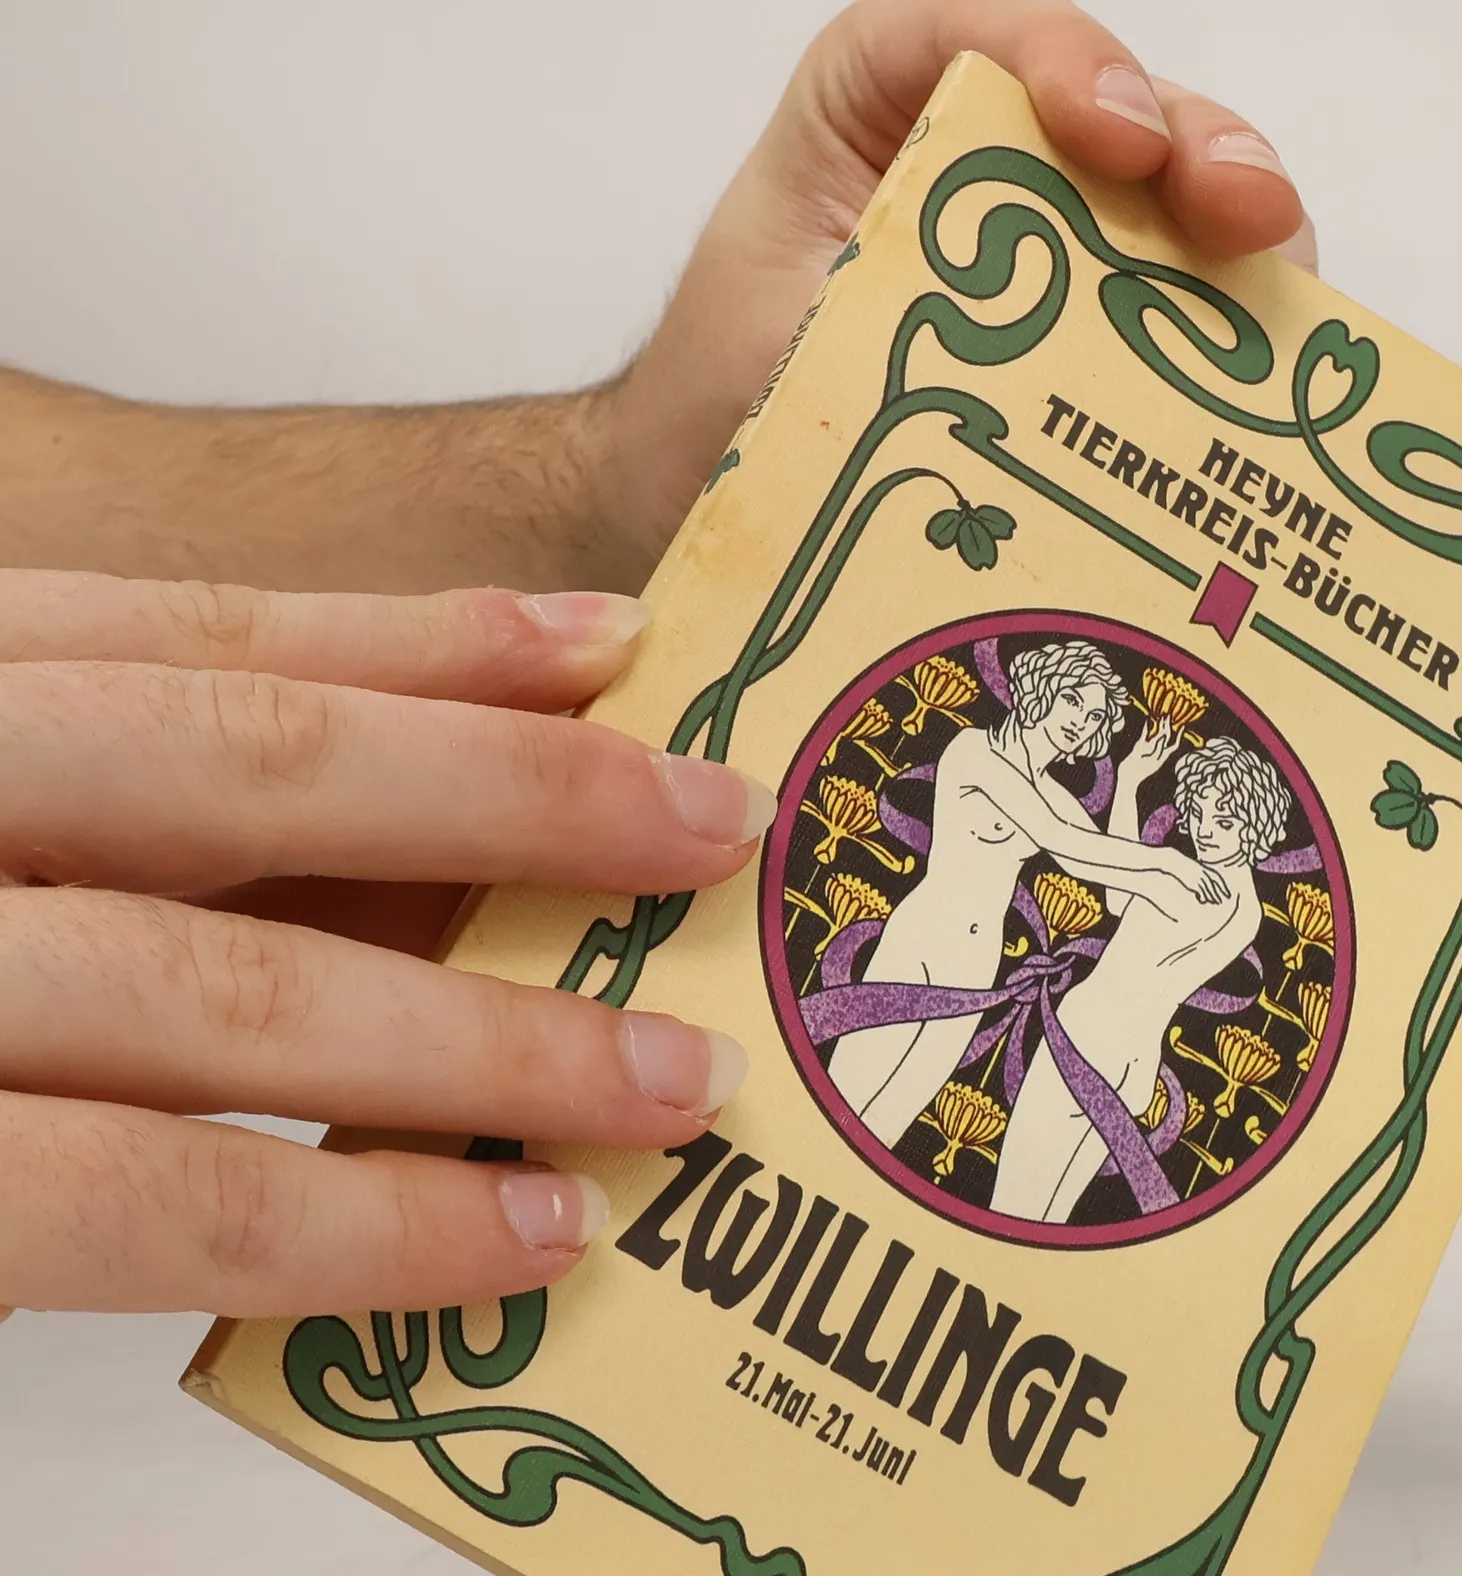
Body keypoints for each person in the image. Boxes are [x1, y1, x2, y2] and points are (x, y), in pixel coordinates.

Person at [0, 0, 1314, 1319]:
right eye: (1083, 720)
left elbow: (1111, 855)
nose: (1090, 739)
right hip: (952, 965)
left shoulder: (1136, 843)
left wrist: (651, 506)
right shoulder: (1001, 771)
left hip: (1000, 990)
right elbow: (1088, 851)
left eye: (1097, 732)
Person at [826, 639, 1226, 1147]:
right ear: (1042, 689)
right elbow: (1059, 838)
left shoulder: (1052, 793)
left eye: (1094, 715)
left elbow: (1109, 880)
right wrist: (1168, 861)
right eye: (1072, 700)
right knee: (846, 1093)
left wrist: (1128, 784)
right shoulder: (975, 752)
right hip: (924, 939)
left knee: (892, 1117)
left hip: (976, 965)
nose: (1080, 721)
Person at [991, 733, 1287, 1223]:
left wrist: (1033, 779)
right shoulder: (1246, 910)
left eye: (1225, 821)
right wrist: (1128, 785)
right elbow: (1118, 900)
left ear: (1256, 825)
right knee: (1049, 1212)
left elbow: (1087, 859)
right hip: (1134, 1064)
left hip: (1089, 1038)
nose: (1206, 831)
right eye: (1200, 813)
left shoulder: (1185, 884)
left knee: (1011, 1203)